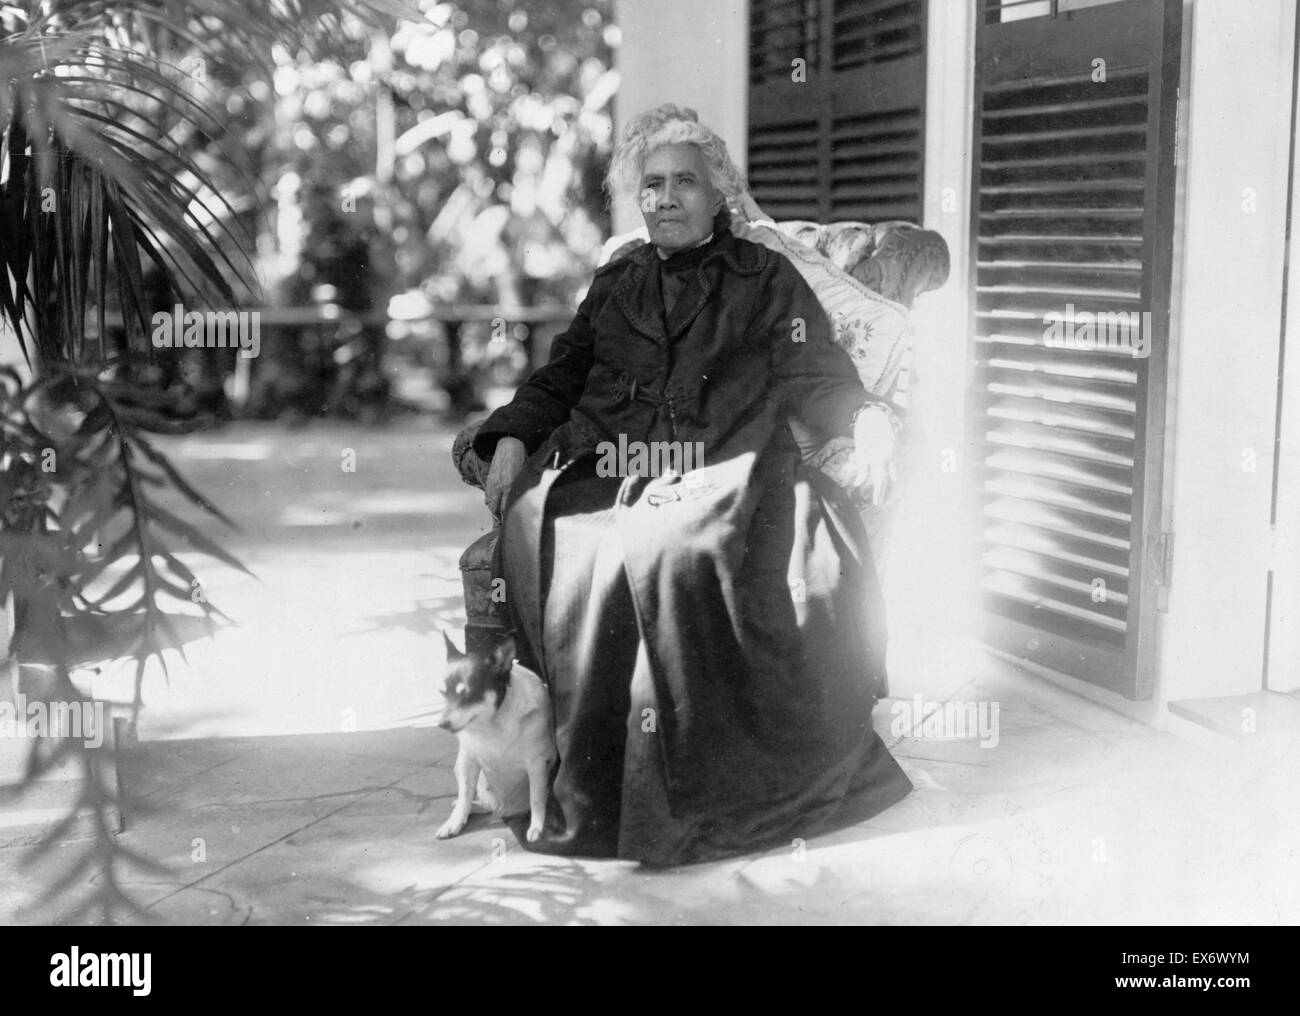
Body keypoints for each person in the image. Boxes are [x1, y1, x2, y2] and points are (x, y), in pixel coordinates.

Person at [461, 104, 912, 866]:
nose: (665, 199)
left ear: (719, 194)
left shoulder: (763, 276)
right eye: (652, 185)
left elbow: (815, 375)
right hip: (614, 459)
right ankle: (592, 784)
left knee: (671, 550)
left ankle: (693, 799)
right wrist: (510, 433)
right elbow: (563, 373)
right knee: (555, 529)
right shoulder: (617, 280)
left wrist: (865, 417)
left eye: (684, 184)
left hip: (725, 464)